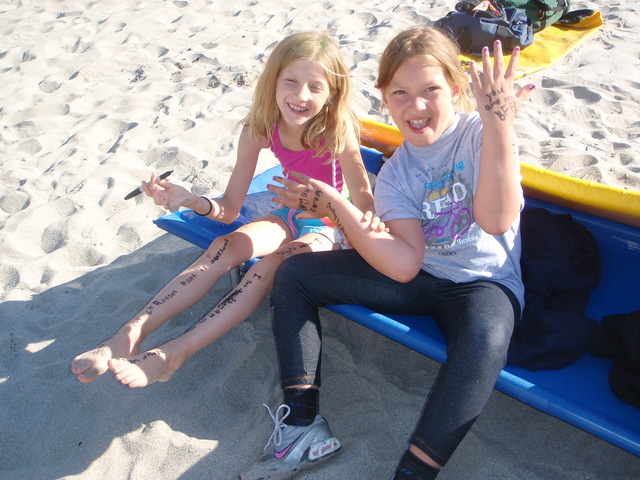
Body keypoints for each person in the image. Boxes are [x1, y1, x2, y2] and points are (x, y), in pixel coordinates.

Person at [240, 27, 536, 480]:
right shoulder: (397, 173)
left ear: (456, 89)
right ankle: (301, 425)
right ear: (384, 98)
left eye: (430, 90)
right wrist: (336, 207)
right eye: (400, 93)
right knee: (295, 274)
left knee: (485, 339)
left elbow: (496, 220)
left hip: (483, 284)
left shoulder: (482, 132)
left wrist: (499, 123)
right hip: (421, 277)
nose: (416, 106)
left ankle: (413, 473)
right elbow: (404, 265)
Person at [71, 31, 375, 388]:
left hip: (332, 226)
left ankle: (175, 353)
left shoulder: (337, 131)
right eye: (291, 81)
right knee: (223, 247)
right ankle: (126, 337)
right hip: (288, 213)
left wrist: (349, 221)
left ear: (332, 93)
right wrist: (190, 200)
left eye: (315, 87)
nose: (301, 95)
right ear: (274, 80)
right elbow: (229, 209)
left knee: (267, 268)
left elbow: (364, 202)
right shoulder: (261, 128)